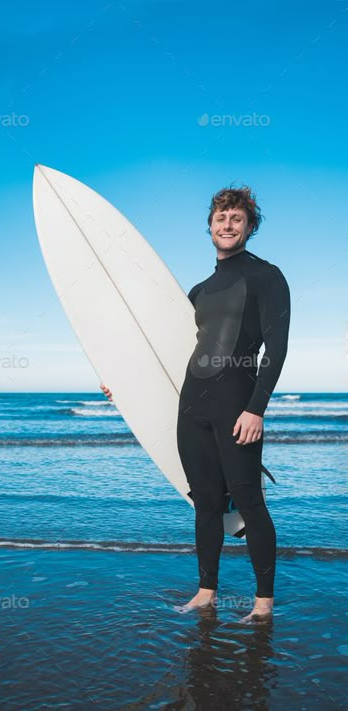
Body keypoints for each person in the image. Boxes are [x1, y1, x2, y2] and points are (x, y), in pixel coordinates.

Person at [100, 185, 290, 623]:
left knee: (249, 500)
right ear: (209, 226)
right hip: (192, 408)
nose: (227, 224)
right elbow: (169, 354)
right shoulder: (198, 291)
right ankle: (206, 592)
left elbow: (275, 350)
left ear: (249, 226)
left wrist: (256, 408)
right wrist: (125, 388)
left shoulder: (266, 276)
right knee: (205, 503)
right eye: (220, 217)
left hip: (236, 406)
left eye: (236, 218)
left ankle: (263, 603)